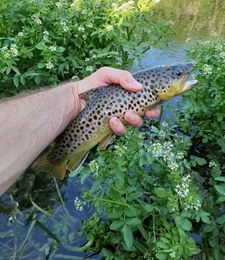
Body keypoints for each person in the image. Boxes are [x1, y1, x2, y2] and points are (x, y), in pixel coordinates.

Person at [0, 67, 160, 196]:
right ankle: (54, 162)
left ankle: (57, 160)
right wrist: (74, 95)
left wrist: (73, 94)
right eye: (179, 75)